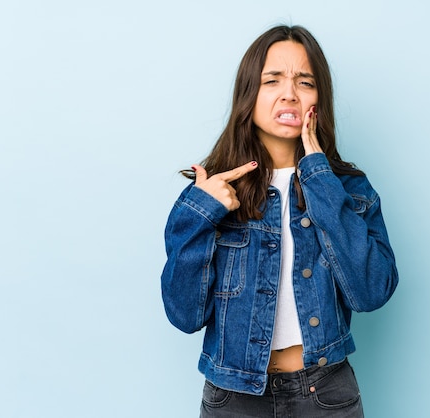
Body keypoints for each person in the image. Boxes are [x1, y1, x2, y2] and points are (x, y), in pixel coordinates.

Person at [161, 24, 399, 417]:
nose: (289, 92)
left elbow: (371, 292)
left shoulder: (348, 189)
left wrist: (320, 177)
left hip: (326, 394)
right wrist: (199, 215)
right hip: (234, 399)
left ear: (319, 99)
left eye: (304, 81)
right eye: (272, 80)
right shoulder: (211, 193)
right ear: (248, 95)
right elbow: (185, 316)